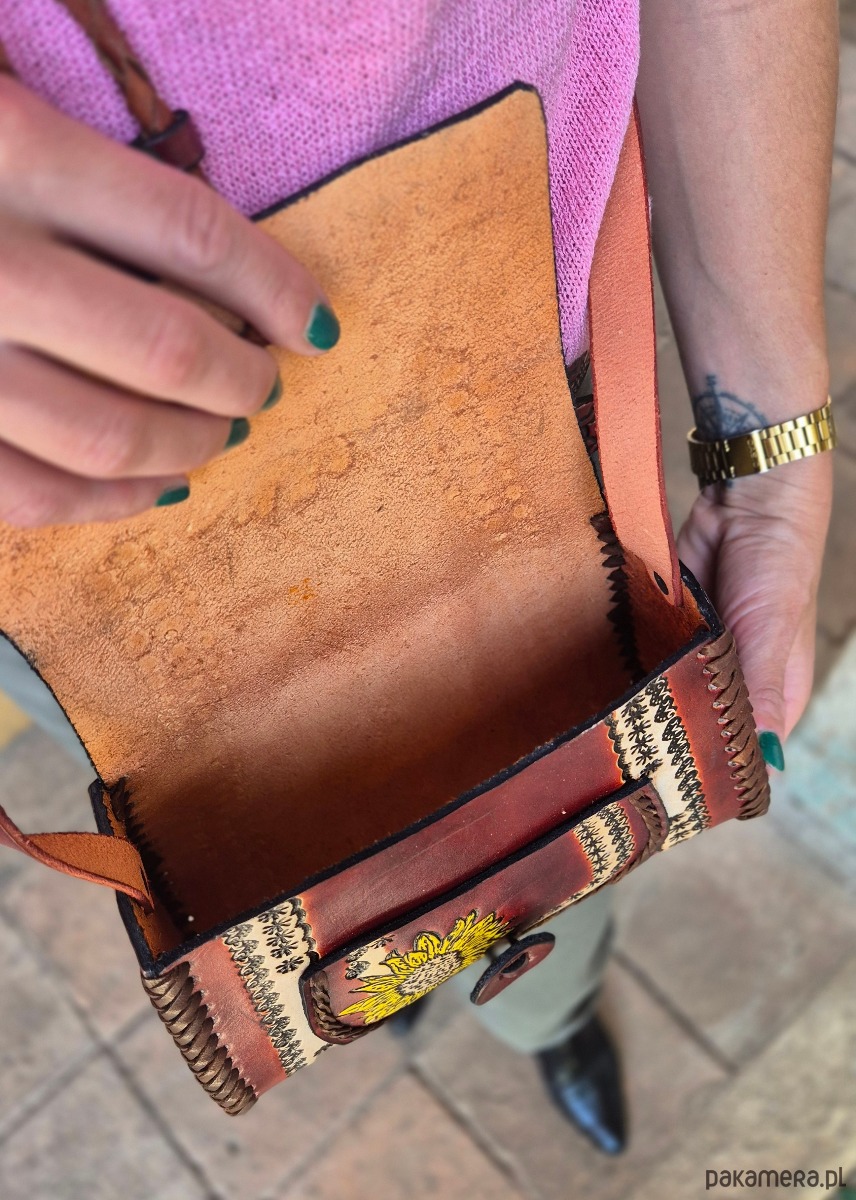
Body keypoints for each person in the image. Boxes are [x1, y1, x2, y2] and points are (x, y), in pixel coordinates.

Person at [0, 0, 837, 1156]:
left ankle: (549, 1011)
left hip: (507, 408)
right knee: (281, 860)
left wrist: (766, 430)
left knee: (572, 827)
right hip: (85, 539)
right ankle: (392, 977)